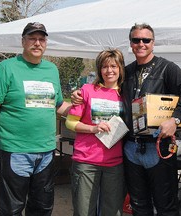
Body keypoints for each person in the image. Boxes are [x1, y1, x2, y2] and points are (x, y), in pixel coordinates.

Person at [72, 23, 181, 216]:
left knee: (165, 205)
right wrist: (79, 94)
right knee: (139, 205)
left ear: (153, 43)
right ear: (131, 44)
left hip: (158, 147)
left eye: (145, 40)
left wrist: (175, 119)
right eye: (136, 40)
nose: (141, 43)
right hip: (131, 148)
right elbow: (106, 87)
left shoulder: (166, 68)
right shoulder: (127, 71)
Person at [0, 22, 70, 216]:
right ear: (23, 41)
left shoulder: (52, 70)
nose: (37, 43)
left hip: (46, 152)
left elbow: (59, 105)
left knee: (42, 208)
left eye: (42, 39)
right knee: (10, 210)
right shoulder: (6, 68)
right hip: (16, 152)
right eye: (32, 38)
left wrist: (84, 105)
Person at [65, 49, 126, 216]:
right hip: (86, 162)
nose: (109, 71)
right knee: (84, 212)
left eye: (114, 66)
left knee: (112, 212)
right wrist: (93, 128)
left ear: (120, 68)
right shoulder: (86, 90)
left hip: (115, 163)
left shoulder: (125, 94)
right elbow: (70, 122)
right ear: (99, 69)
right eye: (105, 66)